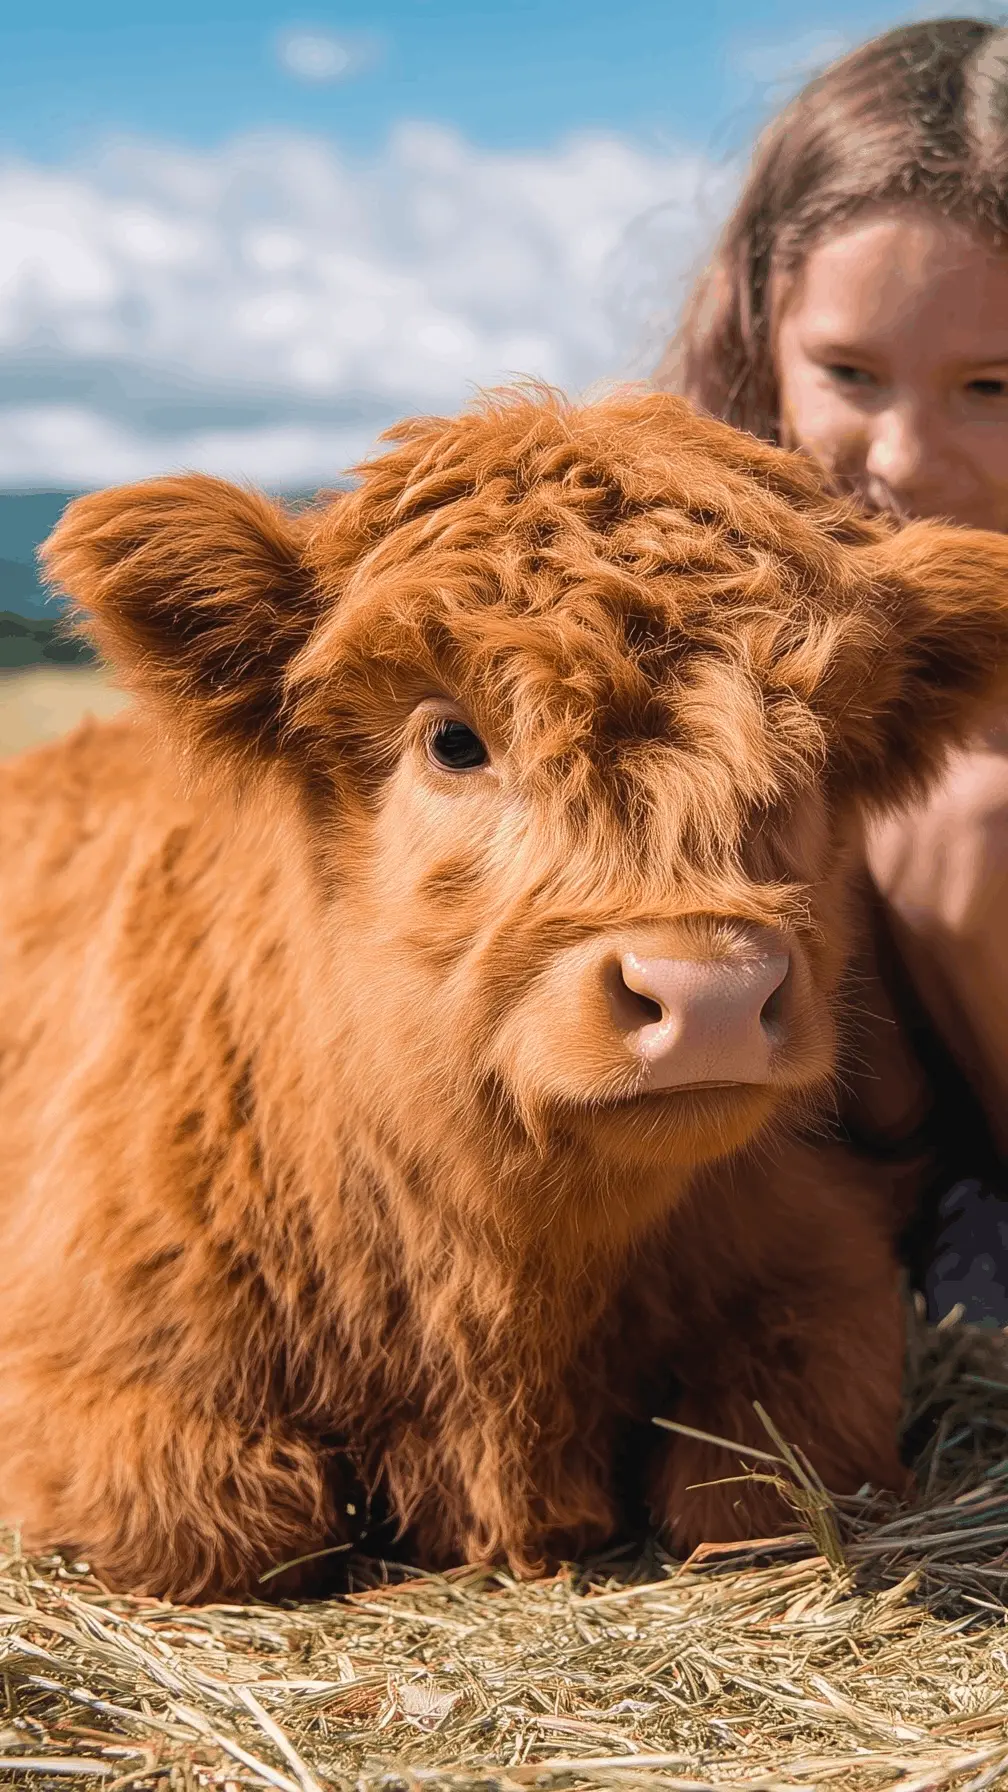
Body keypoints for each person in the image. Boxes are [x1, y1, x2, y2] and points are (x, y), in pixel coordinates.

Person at [657, 17, 1008, 1324]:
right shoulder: (687, 567)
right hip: (809, 1168)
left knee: (973, 811)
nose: (906, 459)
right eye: (850, 373)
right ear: (763, 336)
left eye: (993, 387)